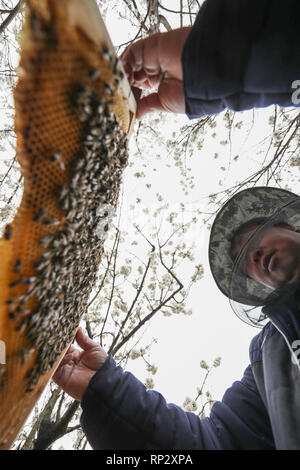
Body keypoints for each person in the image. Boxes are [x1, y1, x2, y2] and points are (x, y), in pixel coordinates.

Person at [53, 0, 300, 449]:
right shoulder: (269, 360)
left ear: (292, 225)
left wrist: (220, 60)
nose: (253, 257)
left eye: (254, 237)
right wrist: (107, 393)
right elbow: (216, 445)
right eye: (244, 263)